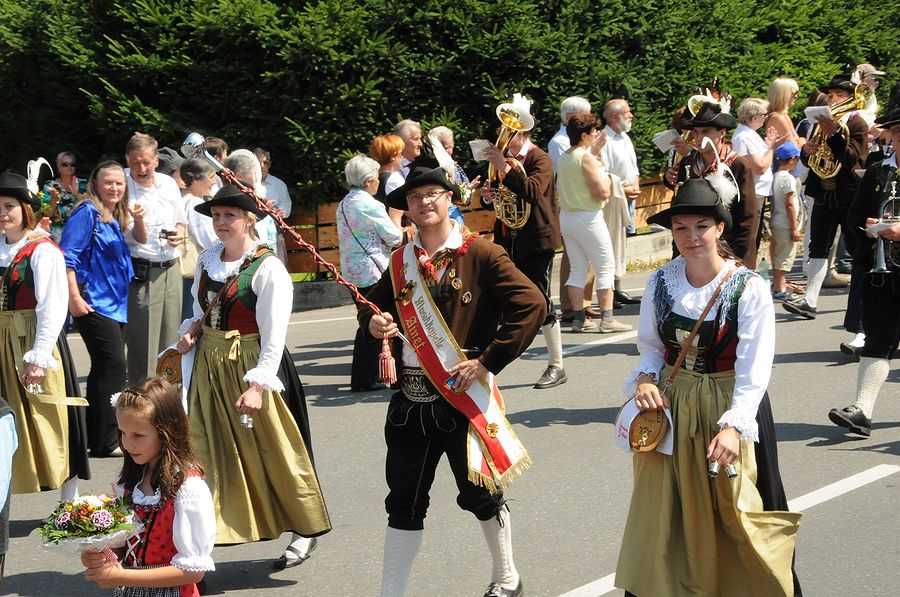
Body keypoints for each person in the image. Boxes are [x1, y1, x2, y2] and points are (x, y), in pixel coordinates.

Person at [360, 165, 544, 597]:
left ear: (449, 199)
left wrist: (487, 361)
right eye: (415, 197)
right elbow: (371, 305)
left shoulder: (482, 253)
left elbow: (532, 305)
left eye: (432, 193)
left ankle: (507, 577)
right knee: (403, 503)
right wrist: (373, 322)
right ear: (406, 208)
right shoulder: (400, 261)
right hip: (409, 403)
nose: (424, 202)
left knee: (481, 495)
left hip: (462, 400)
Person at [615, 178, 801, 597]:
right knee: (667, 511)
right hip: (674, 406)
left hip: (729, 403)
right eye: (681, 228)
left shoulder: (748, 287)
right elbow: (651, 348)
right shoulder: (661, 282)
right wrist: (645, 379)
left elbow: (754, 368)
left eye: (701, 226)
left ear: (719, 228)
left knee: (737, 509)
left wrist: (734, 426)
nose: (691, 237)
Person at [176, 184, 331, 566]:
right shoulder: (207, 260)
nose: (221, 222)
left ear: (249, 220)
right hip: (210, 370)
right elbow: (199, 311)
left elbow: (274, 335)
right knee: (207, 450)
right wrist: (191, 330)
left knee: (277, 451)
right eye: (216, 215)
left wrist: (258, 386)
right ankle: (202, 541)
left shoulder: (267, 267)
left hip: (254, 365)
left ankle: (304, 530)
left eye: (229, 215)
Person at [1, 170, 93, 499]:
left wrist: (39, 357)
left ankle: (70, 500)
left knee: (50, 417)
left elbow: (52, 307)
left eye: (8, 206)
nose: (2, 213)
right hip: (2, 341)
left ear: (25, 209)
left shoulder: (43, 250)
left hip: (32, 339)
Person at [80, 377, 215, 596]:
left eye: (138, 435)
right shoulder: (132, 481)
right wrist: (100, 555)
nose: (127, 443)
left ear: (167, 432)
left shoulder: (188, 488)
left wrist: (121, 577)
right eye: (122, 433)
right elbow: (123, 545)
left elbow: (193, 572)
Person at [61, 161, 146, 458]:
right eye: (108, 182)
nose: (114, 187)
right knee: (113, 366)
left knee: (104, 368)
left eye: (119, 183)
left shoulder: (112, 216)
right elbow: (67, 257)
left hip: (114, 304)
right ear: (96, 184)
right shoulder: (87, 212)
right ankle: (106, 440)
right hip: (93, 302)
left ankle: (96, 438)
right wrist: (74, 297)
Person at [483, 94, 567, 388]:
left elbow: (532, 191)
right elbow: (499, 197)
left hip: (536, 241)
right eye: (502, 129)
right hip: (508, 239)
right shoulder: (504, 160)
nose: (503, 134)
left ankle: (557, 365)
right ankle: (487, 364)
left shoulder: (538, 158)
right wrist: (489, 196)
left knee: (541, 301)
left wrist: (505, 169)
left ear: (524, 131)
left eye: (510, 130)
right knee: (500, 298)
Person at [827, 108, 900, 437]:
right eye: (895, 131)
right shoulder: (877, 171)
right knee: (878, 338)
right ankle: (862, 410)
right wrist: (869, 227)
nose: (899, 137)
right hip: (881, 270)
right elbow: (854, 216)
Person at [783, 75, 869, 320]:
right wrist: (806, 150)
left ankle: (866, 301)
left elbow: (853, 159)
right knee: (817, 246)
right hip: (823, 191)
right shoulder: (820, 124)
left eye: (839, 95)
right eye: (830, 95)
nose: (833, 99)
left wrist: (833, 135)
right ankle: (810, 301)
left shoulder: (857, 124)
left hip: (849, 195)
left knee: (857, 247)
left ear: (851, 98)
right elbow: (810, 159)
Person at [556, 112, 632, 334]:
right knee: (605, 266)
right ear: (584, 135)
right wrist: (605, 174)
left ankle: (579, 319)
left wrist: (596, 154)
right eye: (593, 131)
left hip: (567, 217)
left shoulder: (565, 156)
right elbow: (602, 192)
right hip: (588, 217)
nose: (596, 134)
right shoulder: (585, 157)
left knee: (577, 268)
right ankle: (607, 319)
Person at [124, 133, 187, 383]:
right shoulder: (123, 186)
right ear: (127, 161)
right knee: (143, 345)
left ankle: (168, 396)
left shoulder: (168, 184)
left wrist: (179, 234)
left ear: (156, 161)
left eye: (146, 162)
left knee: (171, 340)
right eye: (135, 163)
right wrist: (139, 220)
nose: (141, 169)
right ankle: (142, 396)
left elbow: (181, 221)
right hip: (142, 272)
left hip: (171, 267)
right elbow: (138, 238)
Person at [666, 100, 761, 268]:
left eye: (705, 132)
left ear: (722, 133)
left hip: (730, 248)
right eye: (696, 132)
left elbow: (748, 215)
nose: (699, 137)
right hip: (694, 248)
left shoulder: (737, 164)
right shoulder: (688, 163)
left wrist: (739, 256)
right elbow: (679, 207)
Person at [336, 155, 402, 391]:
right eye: (376, 178)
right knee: (381, 321)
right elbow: (394, 237)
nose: (379, 182)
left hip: (352, 273)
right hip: (374, 271)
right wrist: (397, 218)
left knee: (367, 319)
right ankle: (370, 377)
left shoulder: (343, 204)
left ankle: (367, 376)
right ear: (367, 182)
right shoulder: (371, 205)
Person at [549, 96, 598, 318]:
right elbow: (573, 172)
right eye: (584, 115)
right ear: (570, 117)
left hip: (583, 202)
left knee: (586, 256)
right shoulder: (560, 141)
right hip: (573, 203)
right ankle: (570, 306)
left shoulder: (573, 141)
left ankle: (583, 302)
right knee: (574, 257)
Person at [601, 99, 643, 305]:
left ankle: (617, 288)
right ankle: (609, 290)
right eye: (627, 112)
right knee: (610, 244)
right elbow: (604, 173)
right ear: (614, 116)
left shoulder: (624, 137)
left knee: (621, 244)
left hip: (627, 196)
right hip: (614, 199)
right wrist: (625, 190)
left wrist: (635, 186)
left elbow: (633, 167)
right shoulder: (604, 139)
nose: (631, 115)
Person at [732, 97, 784, 249]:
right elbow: (759, 167)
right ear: (754, 117)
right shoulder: (744, 137)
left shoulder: (749, 134)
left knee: (754, 238)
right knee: (750, 239)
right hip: (753, 192)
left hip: (758, 192)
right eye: (764, 115)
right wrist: (772, 148)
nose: (766, 118)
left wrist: (769, 145)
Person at [179, 158, 218, 320]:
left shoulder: (181, 200)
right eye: (211, 177)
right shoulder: (195, 204)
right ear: (195, 179)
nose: (214, 182)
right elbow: (210, 241)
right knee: (192, 317)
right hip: (193, 270)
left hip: (181, 272)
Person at [224, 150, 280, 255]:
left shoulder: (254, 201)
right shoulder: (231, 203)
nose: (256, 178)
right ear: (239, 176)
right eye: (254, 173)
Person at [770, 142, 803, 300]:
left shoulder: (775, 176)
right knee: (785, 257)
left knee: (778, 255)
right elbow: (789, 203)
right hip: (786, 223)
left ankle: (778, 285)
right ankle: (779, 288)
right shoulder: (788, 178)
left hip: (776, 221)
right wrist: (795, 227)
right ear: (792, 160)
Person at [40, 151, 87, 242]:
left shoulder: (83, 185)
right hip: (57, 235)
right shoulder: (50, 186)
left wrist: (77, 195)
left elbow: (93, 208)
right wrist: (54, 200)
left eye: (72, 164)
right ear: (58, 167)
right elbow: (47, 213)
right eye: (65, 164)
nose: (69, 167)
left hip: (79, 232)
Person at [428, 125, 469, 226]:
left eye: (450, 147)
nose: (448, 151)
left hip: (455, 216)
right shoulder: (427, 169)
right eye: (445, 148)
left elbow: (465, 201)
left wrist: (468, 191)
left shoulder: (456, 168)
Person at [370, 134, 408, 228]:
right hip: (396, 228)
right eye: (400, 153)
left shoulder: (373, 179)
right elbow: (405, 208)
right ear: (393, 156)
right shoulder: (393, 180)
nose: (402, 157)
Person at [383, 119, 423, 196]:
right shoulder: (392, 168)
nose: (420, 144)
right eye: (416, 139)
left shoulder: (418, 165)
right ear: (402, 141)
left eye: (420, 139)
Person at [766, 78, 801, 146]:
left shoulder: (783, 115)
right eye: (793, 93)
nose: (796, 96)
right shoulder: (778, 118)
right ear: (784, 95)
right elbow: (795, 147)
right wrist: (803, 140)